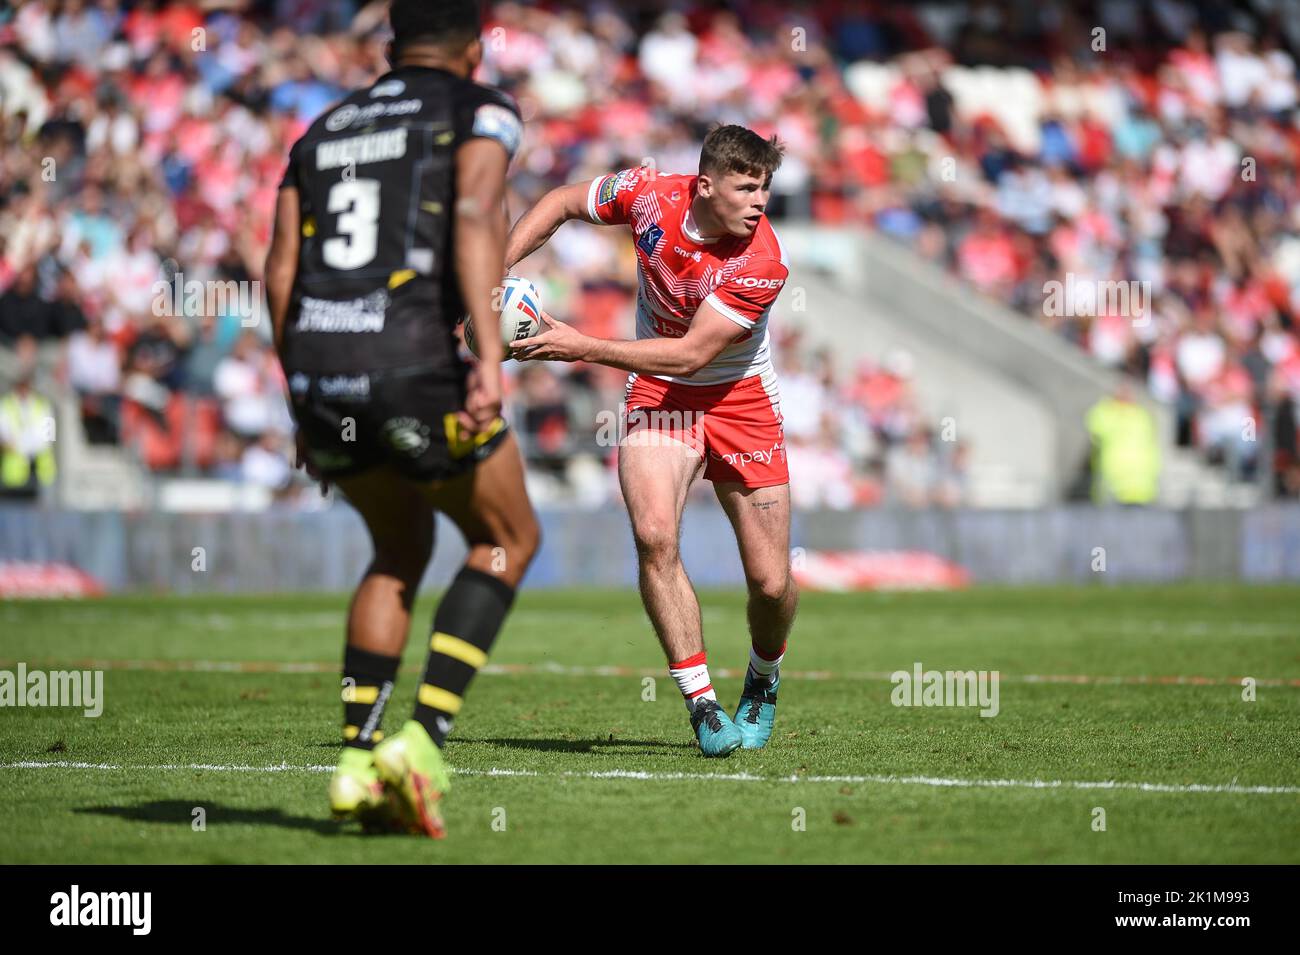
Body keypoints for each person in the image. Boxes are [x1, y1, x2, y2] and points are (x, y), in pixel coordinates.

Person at [264, 0, 539, 838]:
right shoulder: (477, 108)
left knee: (397, 547)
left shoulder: (324, 128)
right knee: (505, 538)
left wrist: (301, 397)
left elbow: (280, 268)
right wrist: (488, 359)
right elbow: (472, 215)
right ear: (474, 49)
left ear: (391, 46)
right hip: (414, 362)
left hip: (322, 364)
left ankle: (354, 761)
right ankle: (421, 742)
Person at [504, 125, 797, 757]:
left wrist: (579, 345)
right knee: (654, 535)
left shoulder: (763, 261)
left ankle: (763, 679)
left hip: (739, 401)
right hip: (660, 397)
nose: (759, 203)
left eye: (766, 189)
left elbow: (692, 355)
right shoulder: (644, 193)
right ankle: (703, 706)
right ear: (704, 184)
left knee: (771, 584)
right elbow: (559, 201)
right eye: (747, 188)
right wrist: (492, 271)